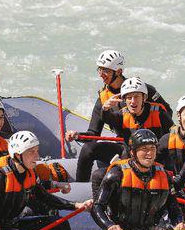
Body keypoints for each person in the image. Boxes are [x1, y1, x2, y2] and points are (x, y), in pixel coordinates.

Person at [0, 131, 93, 230]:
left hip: (12, 222)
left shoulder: (28, 172)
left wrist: (76, 205)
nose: (37, 156)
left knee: (61, 224)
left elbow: (45, 197)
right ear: (18, 155)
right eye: (31, 152)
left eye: (37, 150)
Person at [65, 50, 172, 182]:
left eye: (106, 71)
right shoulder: (103, 99)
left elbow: (168, 113)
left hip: (153, 149)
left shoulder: (144, 90)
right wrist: (77, 135)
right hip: (125, 147)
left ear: (119, 72)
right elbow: (93, 133)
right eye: (100, 69)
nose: (101, 75)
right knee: (88, 149)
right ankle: (81, 187)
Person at [92, 129, 185, 230]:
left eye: (152, 148)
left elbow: (173, 207)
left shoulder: (164, 176)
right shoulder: (117, 174)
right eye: (144, 149)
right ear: (133, 152)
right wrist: (109, 225)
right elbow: (97, 206)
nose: (149, 153)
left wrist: (179, 223)